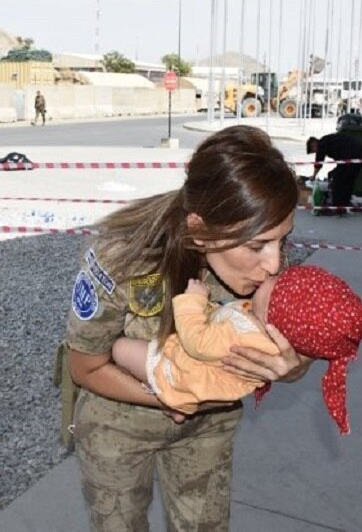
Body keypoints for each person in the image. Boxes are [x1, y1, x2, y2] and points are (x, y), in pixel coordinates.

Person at [65, 125, 313, 531]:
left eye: (282, 241)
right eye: (257, 246)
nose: (274, 264)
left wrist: (294, 366)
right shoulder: (121, 259)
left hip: (207, 427)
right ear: (199, 229)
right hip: (118, 423)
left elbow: (292, 347)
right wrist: (171, 399)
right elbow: (85, 367)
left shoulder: (270, 263)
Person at [113, 265, 362, 434]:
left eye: (276, 282)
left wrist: (193, 300)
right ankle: (181, 406)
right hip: (206, 383)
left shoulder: (244, 335)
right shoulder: (269, 333)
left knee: (122, 350)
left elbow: (197, 342)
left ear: (276, 314)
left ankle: (172, 396)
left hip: (182, 370)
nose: (271, 271)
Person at [306, 132, 362, 212]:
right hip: (360, 155)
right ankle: (344, 204)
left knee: (338, 180)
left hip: (350, 156)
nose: (315, 152)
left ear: (313, 144)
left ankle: (337, 206)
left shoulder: (322, 143)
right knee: (348, 181)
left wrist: (314, 175)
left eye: (313, 151)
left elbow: (318, 162)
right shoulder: (328, 140)